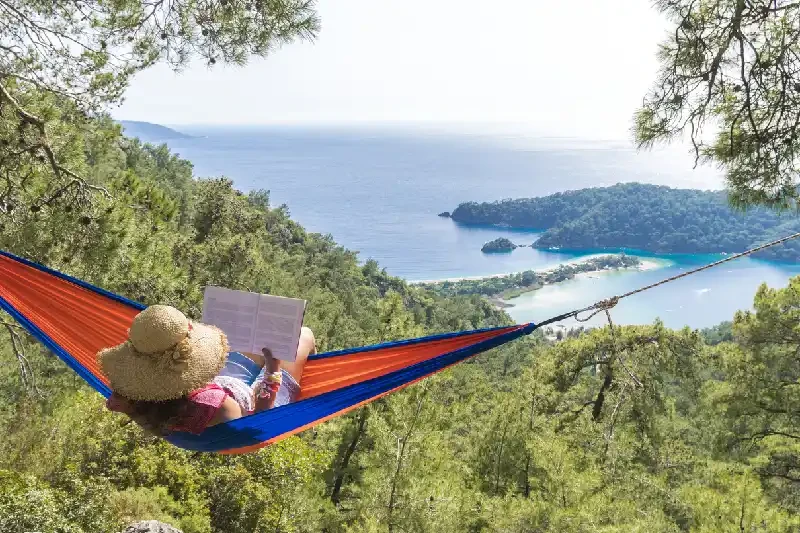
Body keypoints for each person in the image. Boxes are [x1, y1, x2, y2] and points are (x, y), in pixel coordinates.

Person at [98, 305, 316, 436]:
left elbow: (120, 404)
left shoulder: (131, 392)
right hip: (259, 398)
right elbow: (256, 423)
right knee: (304, 334)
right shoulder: (214, 404)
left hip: (221, 382)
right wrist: (272, 371)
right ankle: (311, 383)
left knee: (261, 338)